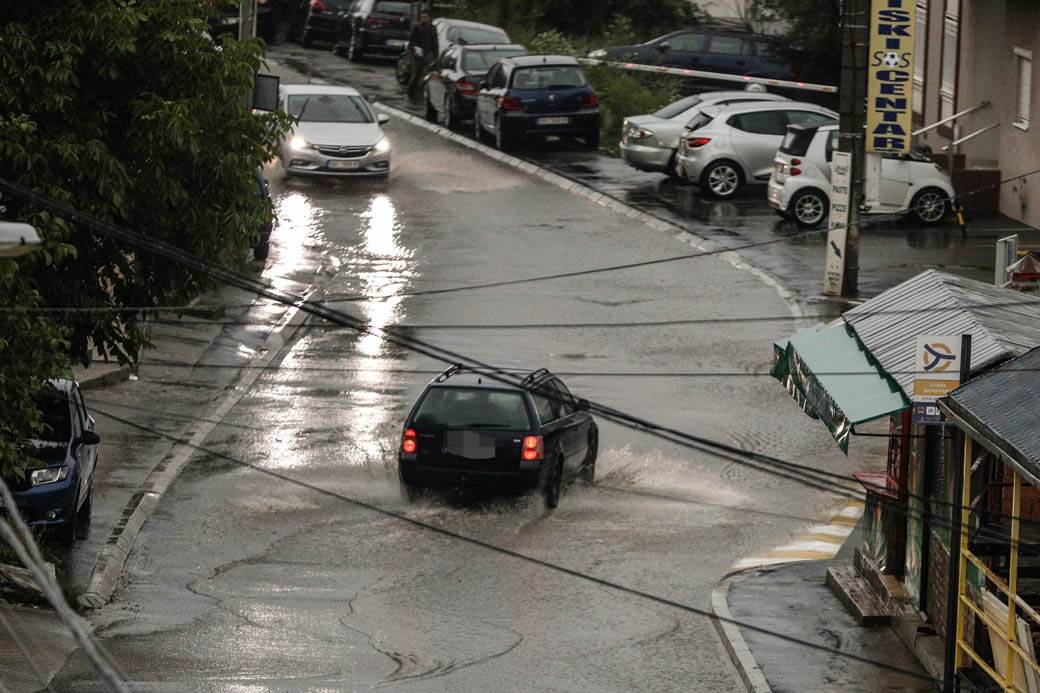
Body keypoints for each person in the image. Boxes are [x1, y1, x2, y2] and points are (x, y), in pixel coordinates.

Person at [406, 9, 438, 98]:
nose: (424, 19)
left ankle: (422, 90)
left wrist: (436, 54)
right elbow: (412, 40)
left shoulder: (433, 28)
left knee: (428, 73)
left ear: (430, 18)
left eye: (426, 17)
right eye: (422, 17)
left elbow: (435, 42)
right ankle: (411, 91)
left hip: (429, 53)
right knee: (417, 73)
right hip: (418, 53)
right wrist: (413, 50)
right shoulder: (417, 27)